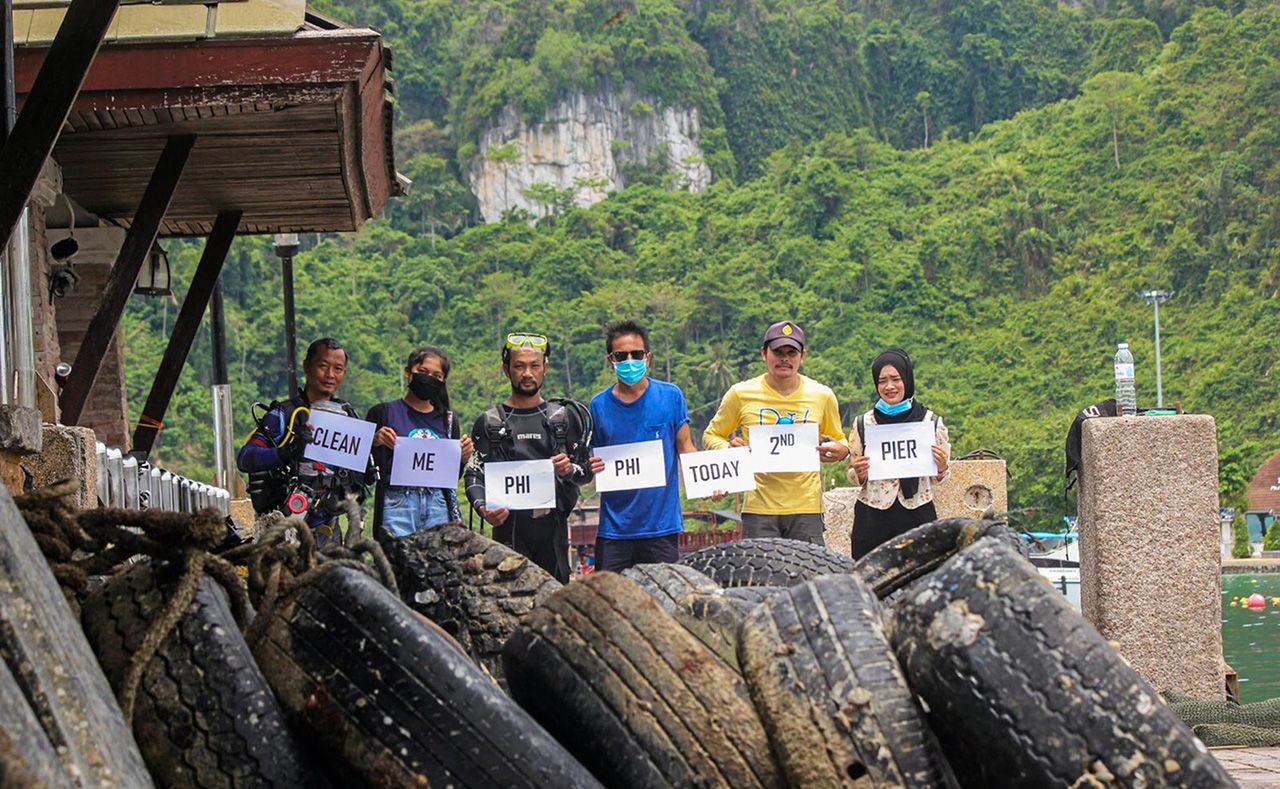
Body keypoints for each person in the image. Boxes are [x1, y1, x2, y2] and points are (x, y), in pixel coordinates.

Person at [703, 321, 849, 544]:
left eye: (792, 353)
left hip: (807, 508)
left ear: (803, 356)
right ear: (764, 353)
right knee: (761, 578)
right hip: (759, 508)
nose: (785, 359)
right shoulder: (741, 394)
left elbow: (840, 441)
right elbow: (711, 435)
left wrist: (840, 450)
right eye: (777, 352)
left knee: (810, 576)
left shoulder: (822, 395)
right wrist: (729, 449)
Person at [464, 333, 593, 582]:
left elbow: (585, 472)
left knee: (554, 603)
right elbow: (474, 472)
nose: (527, 373)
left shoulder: (563, 419)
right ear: (506, 370)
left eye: (534, 366)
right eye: (519, 366)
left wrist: (568, 470)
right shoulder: (490, 422)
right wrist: (483, 508)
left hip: (553, 530)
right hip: (507, 529)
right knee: (508, 602)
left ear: (545, 368)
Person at [588, 320, 697, 572]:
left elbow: (686, 448)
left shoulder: (671, 396)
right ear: (610, 360)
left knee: (664, 604)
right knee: (608, 605)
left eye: (636, 354)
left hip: (661, 529)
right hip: (614, 531)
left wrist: (711, 480)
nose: (629, 361)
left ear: (647, 358)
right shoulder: (598, 406)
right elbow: (591, 459)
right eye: (621, 355)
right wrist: (590, 465)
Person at [237, 337, 369, 544]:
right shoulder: (285, 414)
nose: (330, 375)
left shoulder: (348, 419)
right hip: (284, 530)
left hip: (330, 531)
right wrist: (286, 453)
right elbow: (245, 458)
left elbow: (360, 480)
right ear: (307, 367)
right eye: (323, 366)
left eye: (338, 369)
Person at [846, 348, 951, 560]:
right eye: (882, 380)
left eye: (896, 379)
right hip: (872, 516)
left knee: (921, 576)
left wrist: (941, 467)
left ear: (907, 379)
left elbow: (941, 477)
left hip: (918, 511)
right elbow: (853, 474)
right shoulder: (863, 424)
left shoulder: (930, 422)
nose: (889, 386)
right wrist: (859, 472)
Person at [364, 346, 474, 544]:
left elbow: (449, 477)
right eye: (423, 372)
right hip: (396, 503)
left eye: (436, 375)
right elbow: (365, 471)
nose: (428, 378)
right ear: (408, 372)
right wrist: (374, 440)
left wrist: (463, 459)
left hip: (437, 505)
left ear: (442, 382)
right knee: (396, 566)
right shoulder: (382, 413)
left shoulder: (448, 421)